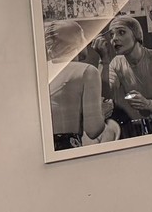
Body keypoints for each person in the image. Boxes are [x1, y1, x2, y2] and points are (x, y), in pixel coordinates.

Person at [44, 20, 119, 151]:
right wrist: (101, 112)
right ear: (77, 41)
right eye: (83, 35)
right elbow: (93, 131)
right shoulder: (87, 71)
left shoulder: (43, 71)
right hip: (67, 148)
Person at [106, 16, 152, 137]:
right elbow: (106, 93)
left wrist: (148, 104)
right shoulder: (116, 63)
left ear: (136, 34)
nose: (114, 39)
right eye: (112, 35)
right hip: (137, 129)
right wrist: (103, 59)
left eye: (121, 32)